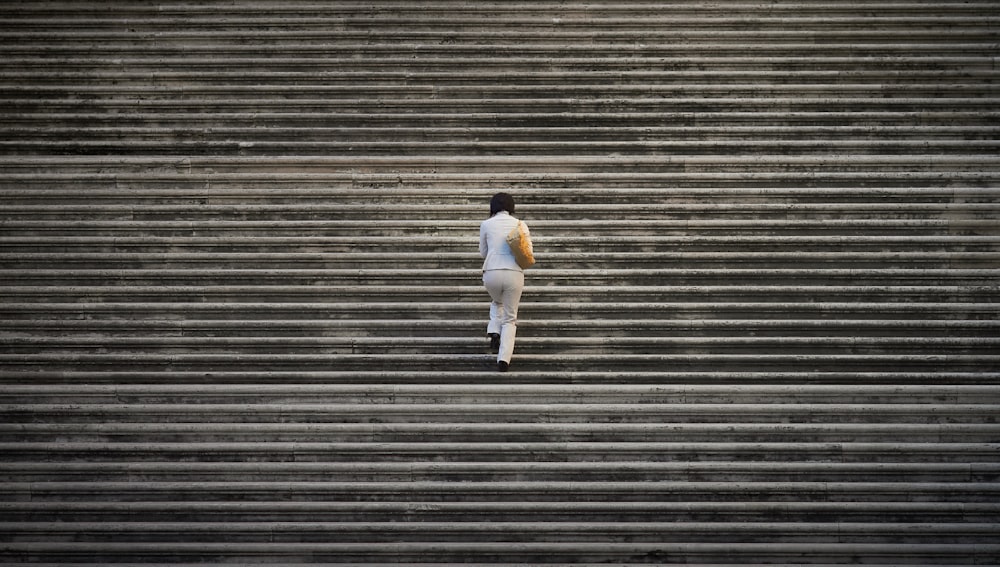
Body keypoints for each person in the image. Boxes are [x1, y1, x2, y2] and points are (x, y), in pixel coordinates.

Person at [479, 192, 531, 372]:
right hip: (513, 272)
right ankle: (504, 359)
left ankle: (494, 328)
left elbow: (483, 252)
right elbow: (528, 251)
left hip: (492, 271)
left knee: (497, 301)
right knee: (510, 318)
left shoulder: (486, 224)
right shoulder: (520, 224)